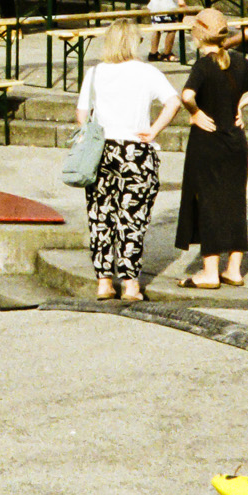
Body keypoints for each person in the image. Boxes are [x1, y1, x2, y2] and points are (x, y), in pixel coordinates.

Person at [76, 23, 182, 303]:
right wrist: (154, 130)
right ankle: (131, 284)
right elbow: (173, 102)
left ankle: (103, 282)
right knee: (132, 218)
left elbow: (82, 112)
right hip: (136, 150)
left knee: (100, 215)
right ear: (135, 42)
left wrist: (90, 132)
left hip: (102, 150)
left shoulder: (95, 72)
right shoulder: (147, 72)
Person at [175, 9, 248, 287]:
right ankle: (234, 270)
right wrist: (241, 104)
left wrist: (194, 112)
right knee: (235, 202)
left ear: (199, 36)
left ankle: (210, 272)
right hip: (236, 143)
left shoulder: (204, 65)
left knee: (209, 203)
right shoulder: (238, 61)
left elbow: (187, 95)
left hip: (208, 143)